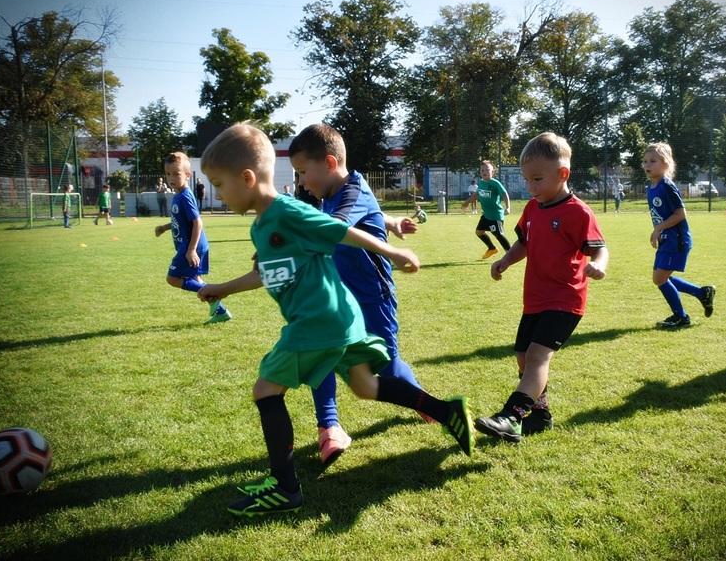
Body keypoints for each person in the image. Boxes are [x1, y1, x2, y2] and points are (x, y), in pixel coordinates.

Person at [198, 123, 473, 517]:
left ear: (247, 178)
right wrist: (223, 288)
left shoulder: (287, 211)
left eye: (218, 185)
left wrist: (392, 252)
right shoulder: (263, 225)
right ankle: (447, 412)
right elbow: (270, 273)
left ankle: (285, 488)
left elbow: (339, 230)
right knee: (364, 385)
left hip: (318, 321)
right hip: (340, 318)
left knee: (265, 390)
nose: (217, 194)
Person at [288, 123, 432, 464]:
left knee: (387, 366)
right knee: (320, 353)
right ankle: (329, 428)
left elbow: (335, 227)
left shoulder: (351, 190)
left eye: (303, 172)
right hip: (337, 298)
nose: (301, 183)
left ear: (329, 164)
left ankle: (428, 404)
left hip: (372, 297)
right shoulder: (331, 192)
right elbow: (366, 214)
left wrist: (286, 242)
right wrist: (391, 221)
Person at [473, 132, 609, 443]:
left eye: (537, 179)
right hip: (535, 297)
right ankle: (540, 415)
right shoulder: (533, 209)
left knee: (536, 356)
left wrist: (599, 264)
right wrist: (506, 260)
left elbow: (599, 248)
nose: (530, 187)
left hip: (565, 299)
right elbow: (524, 242)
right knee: (523, 356)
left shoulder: (578, 212)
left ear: (563, 174)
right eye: (526, 180)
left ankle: (511, 417)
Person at [643, 142, 715, 329]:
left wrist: (658, 229)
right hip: (666, 240)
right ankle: (702, 293)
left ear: (665, 164)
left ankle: (681, 317)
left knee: (660, 279)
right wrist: (659, 231)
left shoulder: (667, 186)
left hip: (677, 241)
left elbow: (680, 213)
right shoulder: (651, 187)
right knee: (659, 278)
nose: (647, 164)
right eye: (645, 161)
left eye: (653, 161)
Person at [154, 151, 232, 324]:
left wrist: (191, 250)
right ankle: (221, 312)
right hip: (194, 245)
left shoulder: (185, 196)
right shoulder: (178, 195)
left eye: (176, 174)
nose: (171, 178)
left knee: (173, 278)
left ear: (187, 175)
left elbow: (198, 223)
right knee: (195, 280)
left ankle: (214, 294)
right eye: (168, 174)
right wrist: (165, 228)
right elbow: (182, 221)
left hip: (191, 246)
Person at [461, 161, 511, 259]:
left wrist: (508, 207)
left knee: (498, 235)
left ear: (493, 172)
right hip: (486, 215)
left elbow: (505, 194)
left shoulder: (495, 183)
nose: (484, 172)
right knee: (479, 232)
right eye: (482, 170)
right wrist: (467, 202)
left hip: (495, 216)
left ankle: (510, 253)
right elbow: (477, 194)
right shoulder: (480, 183)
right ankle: (492, 248)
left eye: (487, 170)